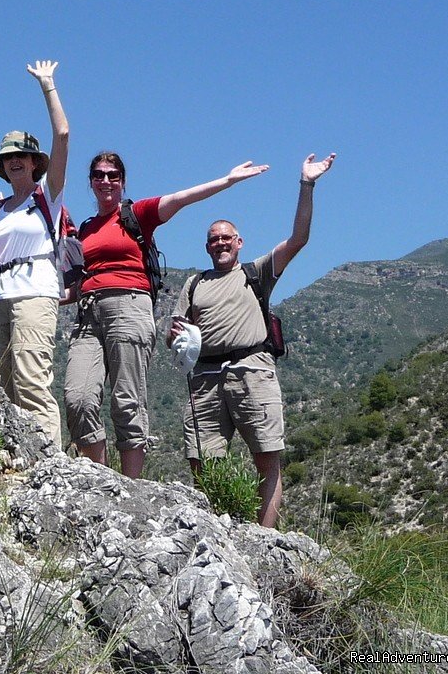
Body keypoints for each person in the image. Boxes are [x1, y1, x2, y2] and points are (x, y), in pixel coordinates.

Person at [64, 152, 269, 478]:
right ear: (90, 182)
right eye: (99, 175)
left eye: (113, 175)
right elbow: (74, 284)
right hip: (88, 313)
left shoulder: (136, 214)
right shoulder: (85, 229)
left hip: (128, 307)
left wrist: (228, 181)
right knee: (78, 397)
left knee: (126, 400)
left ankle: (129, 488)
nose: (106, 181)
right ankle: (100, 483)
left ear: (122, 181)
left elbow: (181, 198)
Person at [167, 152, 336, 528]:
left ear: (240, 242)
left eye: (227, 237)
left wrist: (306, 184)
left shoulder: (256, 272)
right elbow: (173, 333)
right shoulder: (194, 284)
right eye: (214, 240)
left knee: (266, 455)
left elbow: (299, 239)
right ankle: (218, 527)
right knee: (201, 457)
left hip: (253, 370)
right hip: (205, 377)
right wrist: (176, 335)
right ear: (207, 246)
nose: (221, 243)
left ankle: (265, 537)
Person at [0, 60, 69, 448]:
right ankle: (15, 457)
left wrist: (47, 86)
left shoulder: (46, 196)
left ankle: (49, 463)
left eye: (22, 155)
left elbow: (63, 134)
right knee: (3, 384)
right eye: (8, 157)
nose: (14, 160)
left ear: (35, 162)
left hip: (36, 292)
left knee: (32, 379)